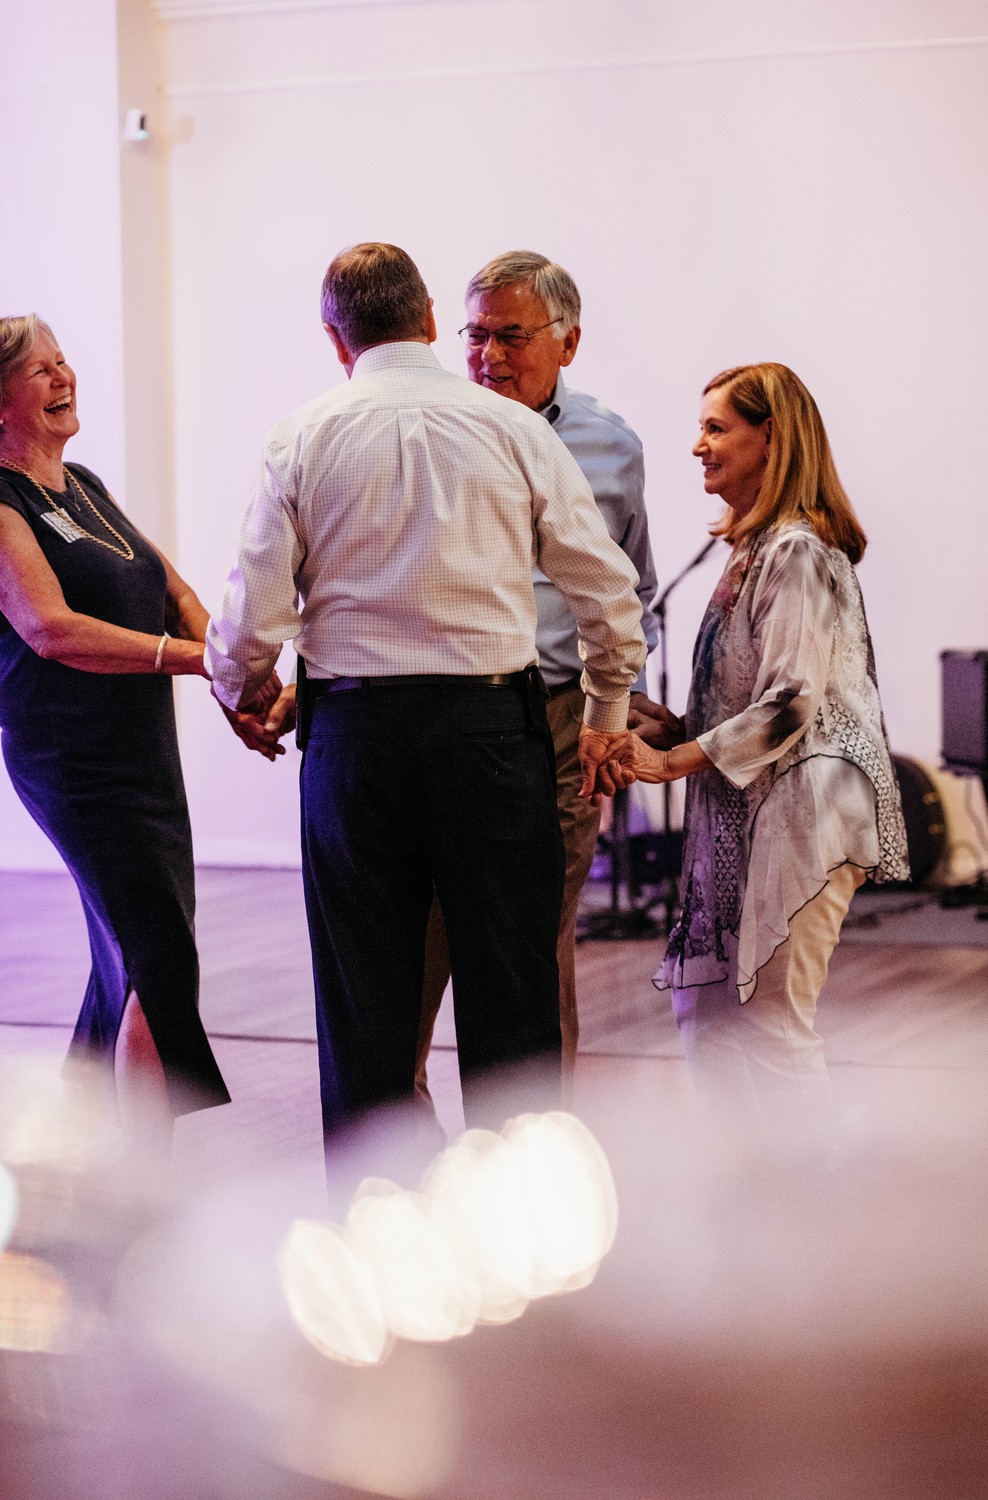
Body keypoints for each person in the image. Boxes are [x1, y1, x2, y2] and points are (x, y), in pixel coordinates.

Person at [205, 244, 645, 1154]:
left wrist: (238, 686)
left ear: (336, 338)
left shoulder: (301, 436)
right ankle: (522, 1219)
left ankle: (377, 1217)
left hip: (355, 740)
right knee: (513, 996)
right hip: (493, 735)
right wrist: (606, 718)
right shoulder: (515, 431)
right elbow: (609, 595)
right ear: (435, 320)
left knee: (366, 1001)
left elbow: (255, 612)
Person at [622, 362, 908, 1119]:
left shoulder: (798, 552)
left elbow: (789, 704)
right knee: (706, 1015)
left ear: (771, 438)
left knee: (771, 1022)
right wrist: (672, 726)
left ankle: (812, 1187)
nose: (698, 446)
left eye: (716, 428)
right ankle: (740, 1180)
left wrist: (672, 761)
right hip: (753, 809)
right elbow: (751, 698)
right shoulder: (753, 550)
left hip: (806, 814)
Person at [413, 250, 661, 1091]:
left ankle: (535, 1132)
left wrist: (615, 706)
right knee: (424, 928)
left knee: (538, 935)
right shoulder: (429, 428)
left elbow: (634, 585)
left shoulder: (611, 445)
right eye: (475, 335)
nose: (488, 356)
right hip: (450, 712)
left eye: (511, 336)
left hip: (561, 723)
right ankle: (400, 1126)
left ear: (568, 342)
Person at [0, 315, 233, 1139]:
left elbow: (171, 588)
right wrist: (197, 661)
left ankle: (82, 1158)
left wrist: (233, 671)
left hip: (144, 754)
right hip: (73, 759)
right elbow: (49, 629)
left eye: (63, 362)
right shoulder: (2, 501)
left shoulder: (84, 484)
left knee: (129, 958)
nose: (64, 377)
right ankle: (140, 1178)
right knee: (154, 958)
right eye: (40, 370)